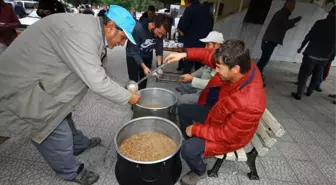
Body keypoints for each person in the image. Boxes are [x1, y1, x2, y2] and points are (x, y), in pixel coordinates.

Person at [0, 5, 140, 185]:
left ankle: (79, 144)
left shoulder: (92, 30)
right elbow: (97, 81)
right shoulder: (82, 34)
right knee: (53, 129)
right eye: (122, 38)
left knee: (64, 111)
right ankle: (71, 171)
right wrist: (130, 97)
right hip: (25, 85)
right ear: (111, 26)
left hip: (44, 77)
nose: (122, 43)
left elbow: (96, 69)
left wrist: (120, 88)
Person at [164, 40, 266, 185]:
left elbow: (227, 135)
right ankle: (193, 144)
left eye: (218, 67)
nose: (215, 71)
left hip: (231, 137)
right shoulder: (242, 66)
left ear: (235, 69)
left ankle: (199, 170)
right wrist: (183, 55)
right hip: (220, 114)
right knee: (183, 109)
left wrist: (196, 129)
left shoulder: (250, 103)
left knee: (187, 149)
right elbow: (209, 56)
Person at [292, 5, 336, 100]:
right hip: (325, 57)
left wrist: (301, 47)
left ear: (331, 12)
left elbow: (309, 36)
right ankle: (310, 91)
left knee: (304, 74)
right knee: (317, 75)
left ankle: (299, 93)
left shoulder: (320, 23)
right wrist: (331, 57)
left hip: (311, 55)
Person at [257, 0, 301, 84]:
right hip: (269, 41)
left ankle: (258, 75)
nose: (293, 8)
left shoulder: (283, 13)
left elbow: (283, 26)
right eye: (292, 5)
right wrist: (297, 19)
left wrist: (290, 25)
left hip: (270, 40)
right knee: (264, 60)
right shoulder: (282, 13)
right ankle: (256, 76)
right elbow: (286, 24)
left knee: (264, 59)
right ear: (287, 4)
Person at [126, 13, 173, 90]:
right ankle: (133, 98)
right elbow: (133, 51)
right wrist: (144, 67)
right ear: (153, 25)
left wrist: (159, 67)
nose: (160, 36)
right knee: (134, 82)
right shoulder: (138, 29)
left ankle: (141, 95)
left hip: (146, 54)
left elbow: (159, 50)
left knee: (144, 79)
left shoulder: (160, 32)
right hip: (132, 55)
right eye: (160, 32)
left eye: (163, 34)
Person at [177, 31, 224, 104]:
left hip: (209, 94)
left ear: (217, 45)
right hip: (201, 88)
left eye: (208, 44)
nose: (205, 47)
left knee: (184, 99)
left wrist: (192, 79)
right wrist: (191, 75)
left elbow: (213, 84)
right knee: (183, 85)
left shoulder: (222, 61)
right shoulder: (213, 56)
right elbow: (204, 69)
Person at [177, 0, 213, 74]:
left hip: (190, 43)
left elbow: (183, 26)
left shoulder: (189, 10)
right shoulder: (207, 10)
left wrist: (180, 23)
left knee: (187, 67)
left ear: (187, 1)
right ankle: (197, 83)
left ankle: (185, 83)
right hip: (203, 43)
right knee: (200, 67)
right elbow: (211, 26)